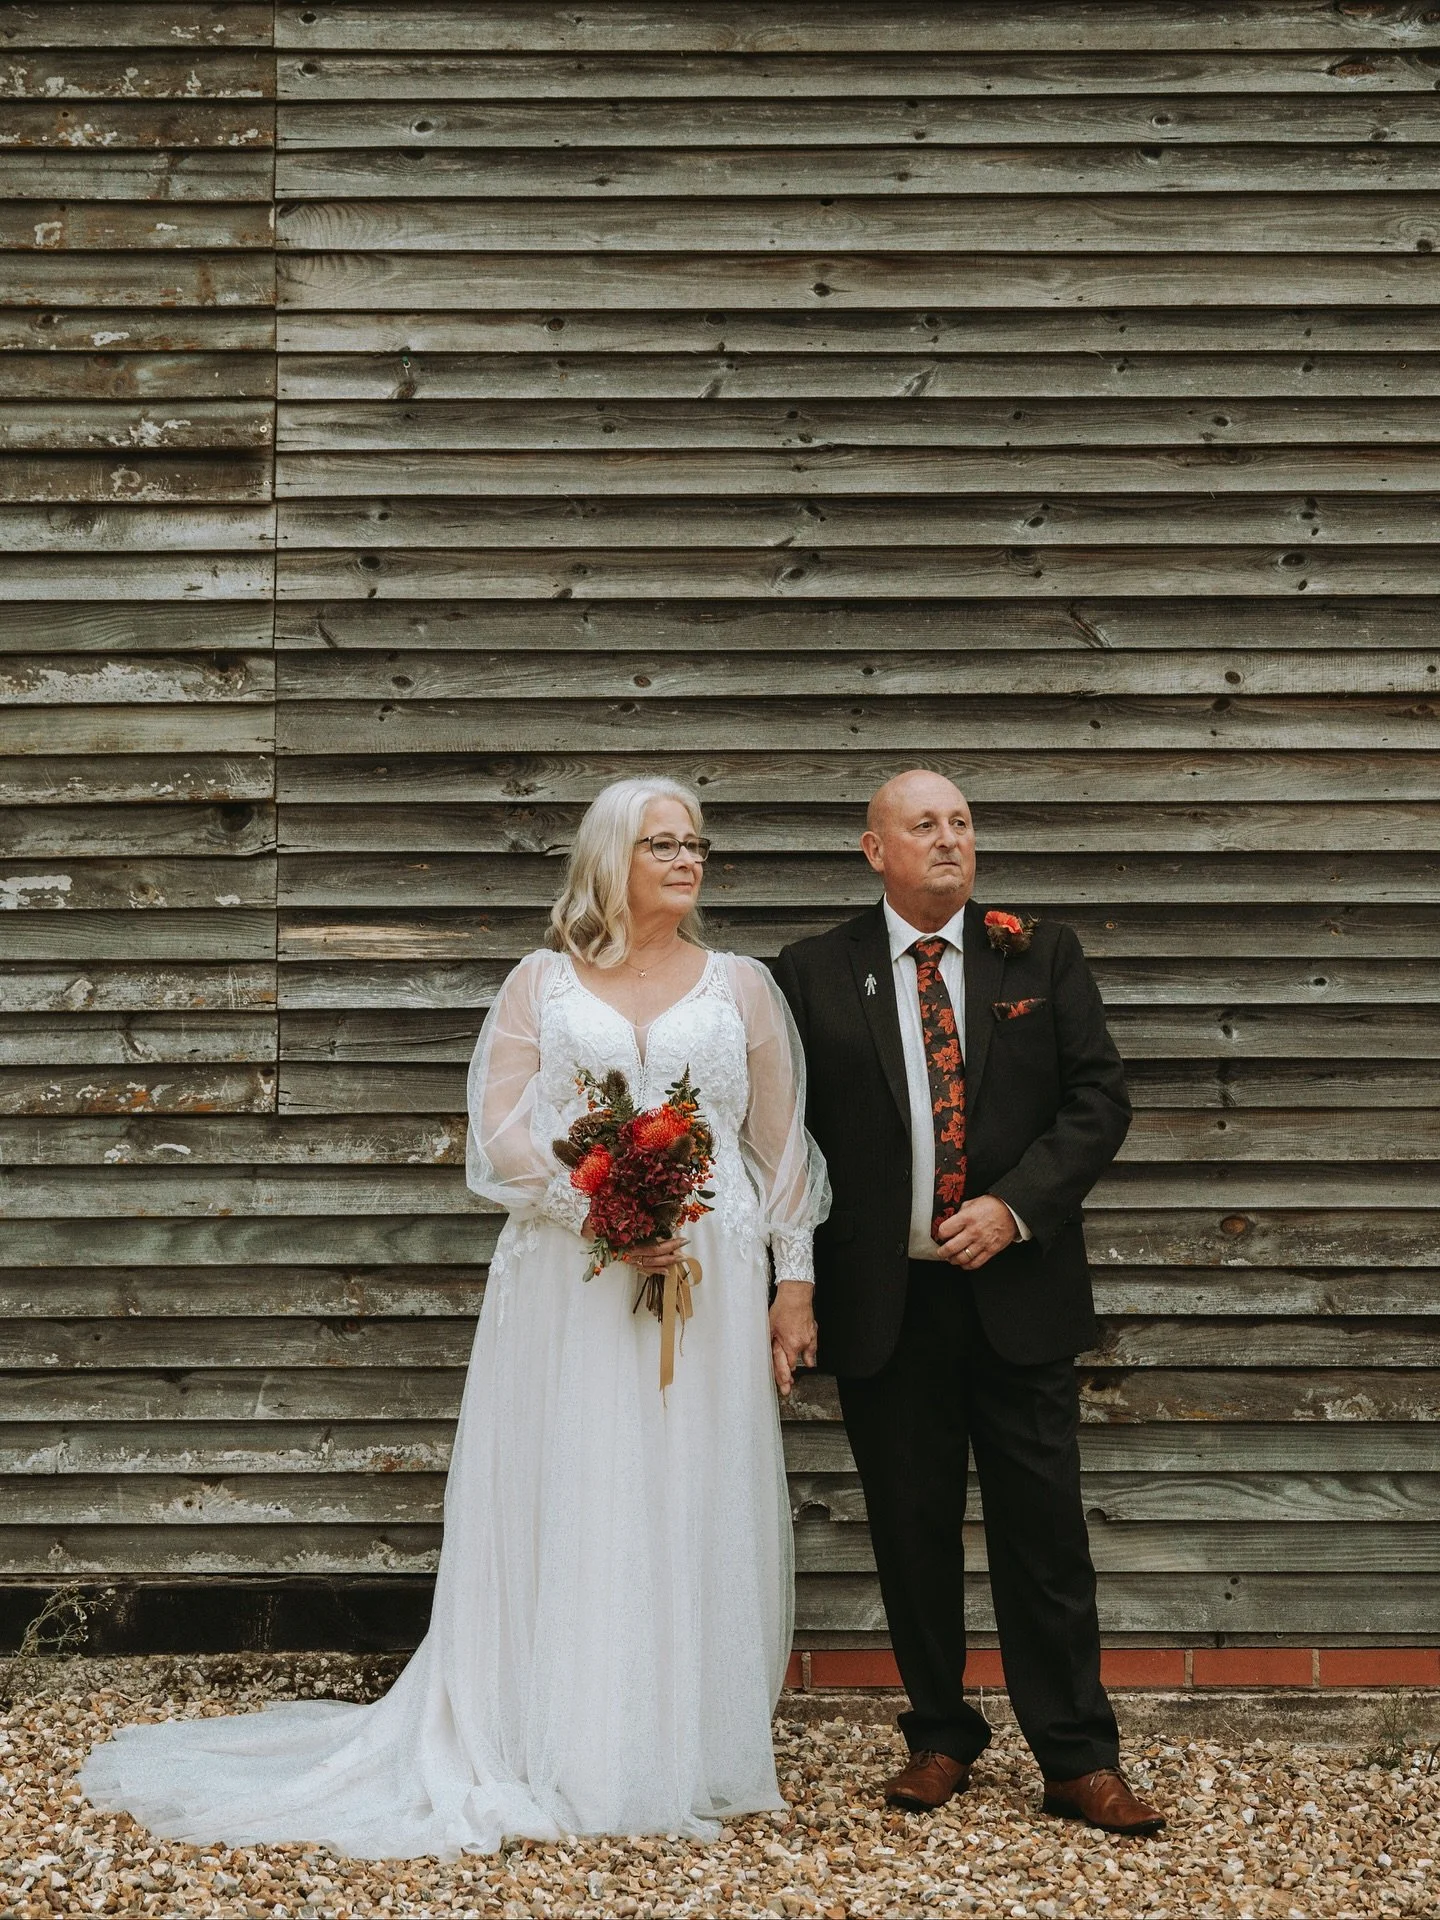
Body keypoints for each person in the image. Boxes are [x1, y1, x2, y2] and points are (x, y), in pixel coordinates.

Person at [81, 777, 828, 1858]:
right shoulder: (542, 982)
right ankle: (549, 1732)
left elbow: (780, 1144)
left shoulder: (744, 987)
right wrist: (602, 1210)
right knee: (575, 1480)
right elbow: (502, 1137)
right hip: (570, 1279)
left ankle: (677, 1743)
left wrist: (791, 1283)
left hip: (708, 1274)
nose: (688, 860)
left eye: (697, 843)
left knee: (686, 1485)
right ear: (610, 858)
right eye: (662, 843)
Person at [771, 769, 1163, 1837]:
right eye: (924, 826)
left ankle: (1078, 1758)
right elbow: (781, 1140)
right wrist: (789, 1280)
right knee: (910, 1531)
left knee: (1045, 1535)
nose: (949, 841)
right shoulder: (809, 975)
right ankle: (940, 1735)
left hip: (1018, 1295)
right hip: (887, 1306)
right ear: (873, 850)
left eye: (961, 824)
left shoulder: (1038, 951)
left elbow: (1099, 1099)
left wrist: (1016, 1207)